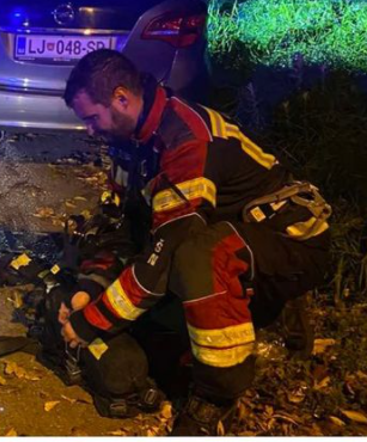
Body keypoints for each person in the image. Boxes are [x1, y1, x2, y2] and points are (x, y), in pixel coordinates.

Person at [50, 49, 331, 435]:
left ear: (121, 98)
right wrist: (90, 288)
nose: (90, 130)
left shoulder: (185, 138)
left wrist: (90, 322)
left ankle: (216, 396)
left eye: (91, 118)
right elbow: (121, 228)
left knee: (198, 255)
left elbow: (165, 255)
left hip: (292, 242)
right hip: (232, 233)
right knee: (157, 315)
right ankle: (262, 310)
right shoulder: (131, 144)